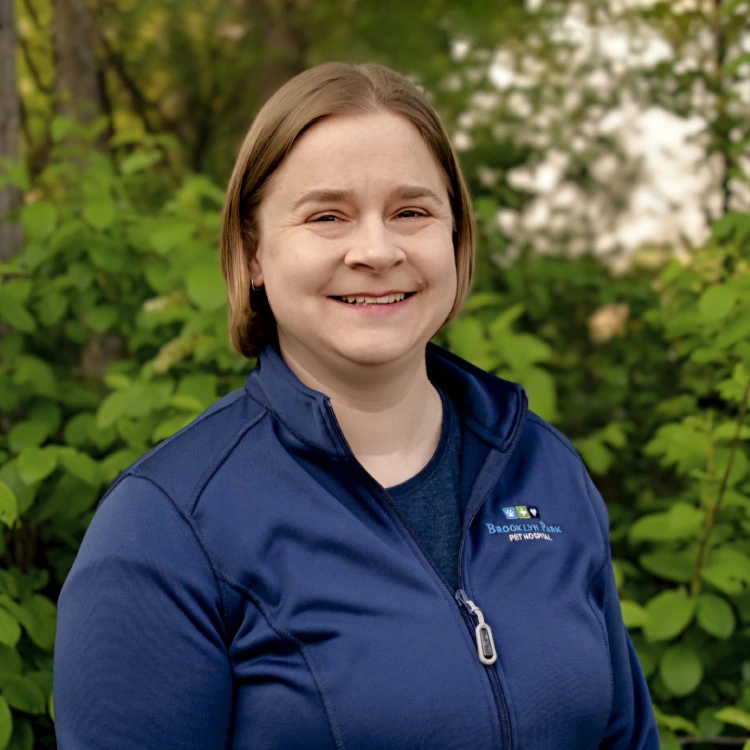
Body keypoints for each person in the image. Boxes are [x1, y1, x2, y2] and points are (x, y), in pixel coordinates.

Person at [53, 61, 659, 749]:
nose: (376, 250)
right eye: (327, 216)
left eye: (411, 211)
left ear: (454, 239)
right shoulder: (165, 529)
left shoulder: (543, 468)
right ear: (254, 253)